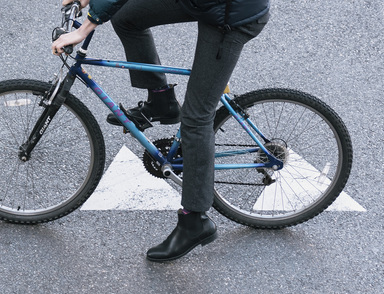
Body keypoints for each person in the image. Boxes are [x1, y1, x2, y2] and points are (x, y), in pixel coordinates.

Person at [52, 0, 270, 262]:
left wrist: (84, 28)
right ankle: (161, 100)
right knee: (126, 17)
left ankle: (195, 222)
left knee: (197, 118)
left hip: (231, 16)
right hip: (207, 4)